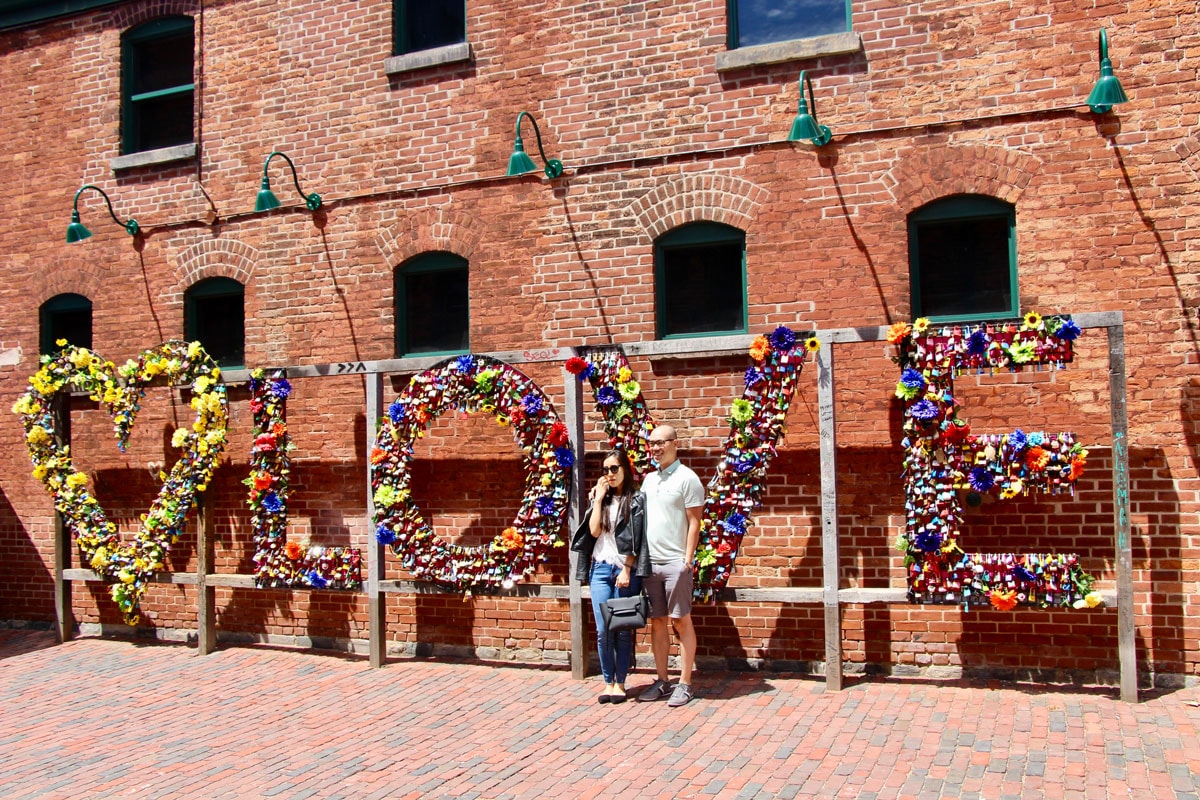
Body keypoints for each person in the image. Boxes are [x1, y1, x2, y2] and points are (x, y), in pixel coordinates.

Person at [570, 449, 650, 704]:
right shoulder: (601, 500)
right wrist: (597, 500)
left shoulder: (636, 500)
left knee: (623, 629)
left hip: (624, 570)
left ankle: (622, 683)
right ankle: (608, 682)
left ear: (625, 469)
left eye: (614, 468)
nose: (610, 474)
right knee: (604, 629)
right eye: (605, 470)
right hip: (601, 570)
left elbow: (639, 538)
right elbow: (593, 532)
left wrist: (627, 569)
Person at [637, 424, 704, 708]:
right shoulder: (649, 480)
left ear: (675, 443)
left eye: (661, 442)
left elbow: (695, 521)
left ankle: (685, 683)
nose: (655, 448)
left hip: (676, 562)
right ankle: (663, 680)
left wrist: (687, 560)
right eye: (652, 443)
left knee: (680, 620)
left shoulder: (688, 479)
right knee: (657, 623)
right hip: (650, 563)